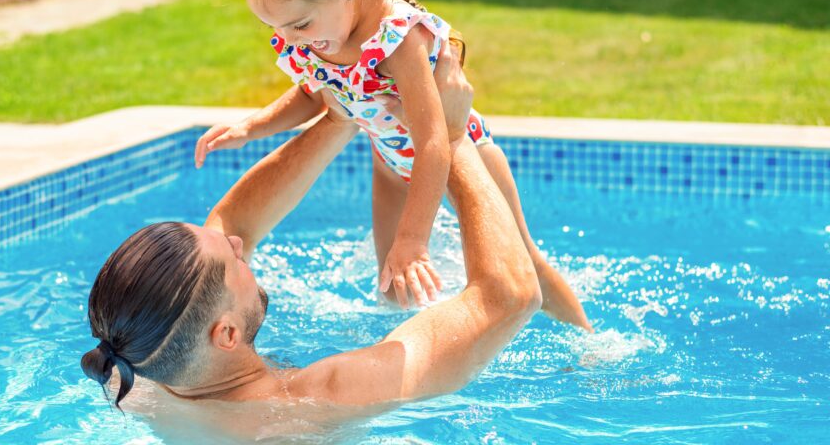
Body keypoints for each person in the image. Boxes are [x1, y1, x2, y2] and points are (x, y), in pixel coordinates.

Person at [81, 47, 552, 440]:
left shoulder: (135, 377)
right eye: (233, 258)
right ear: (225, 334)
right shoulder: (327, 394)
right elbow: (510, 295)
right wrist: (453, 136)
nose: (240, 243)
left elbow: (225, 231)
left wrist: (344, 112)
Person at [193, 0, 589, 330]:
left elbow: (436, 141)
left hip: (464, 156)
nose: (291, 39)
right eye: (275, 28)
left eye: (299, 24)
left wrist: (413, 239)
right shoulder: (319, 34)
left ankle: (587, 339)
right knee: (391, 283)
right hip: (390, 164)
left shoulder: (394, 35)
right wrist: (253, 126)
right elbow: (313, 93)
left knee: (521, 256)